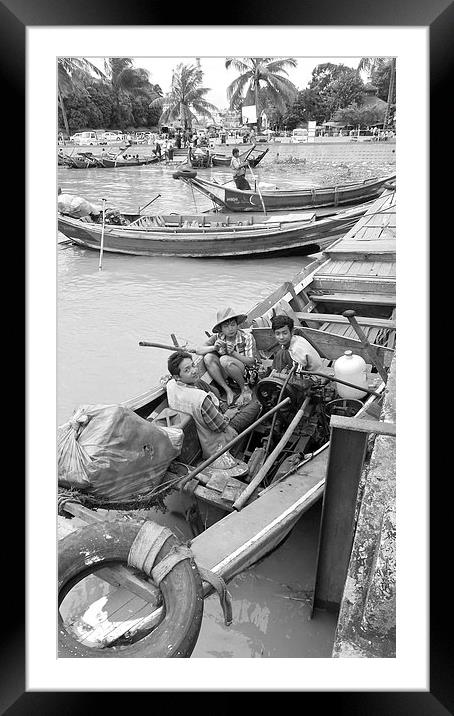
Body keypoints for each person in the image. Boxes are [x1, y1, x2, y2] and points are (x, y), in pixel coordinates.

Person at [166, 351, 260, 460]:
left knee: (199, 382)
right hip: (216, 440)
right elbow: (220, 426)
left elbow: (167, 380)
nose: (194, 371)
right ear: (177, 376)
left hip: (199, 425)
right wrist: (228, 415)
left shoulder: (170, 384)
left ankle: (222, 403)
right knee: (256, 405)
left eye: (193, 365)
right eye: (187, 370)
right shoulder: (200, 398)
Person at [187, 307, 259, 406]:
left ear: (237, 324)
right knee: (208, 357)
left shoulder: (246, 337)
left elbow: (251, 362)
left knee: (225, 360)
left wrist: (233, 353)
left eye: (233, 325)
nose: (231, 329)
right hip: (228, 375)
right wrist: (214, 348)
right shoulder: (218, 337)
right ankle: (228, 390)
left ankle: (244, 389)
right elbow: (199, 350)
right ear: (221, 329)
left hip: (247, 374)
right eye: (226, 326)